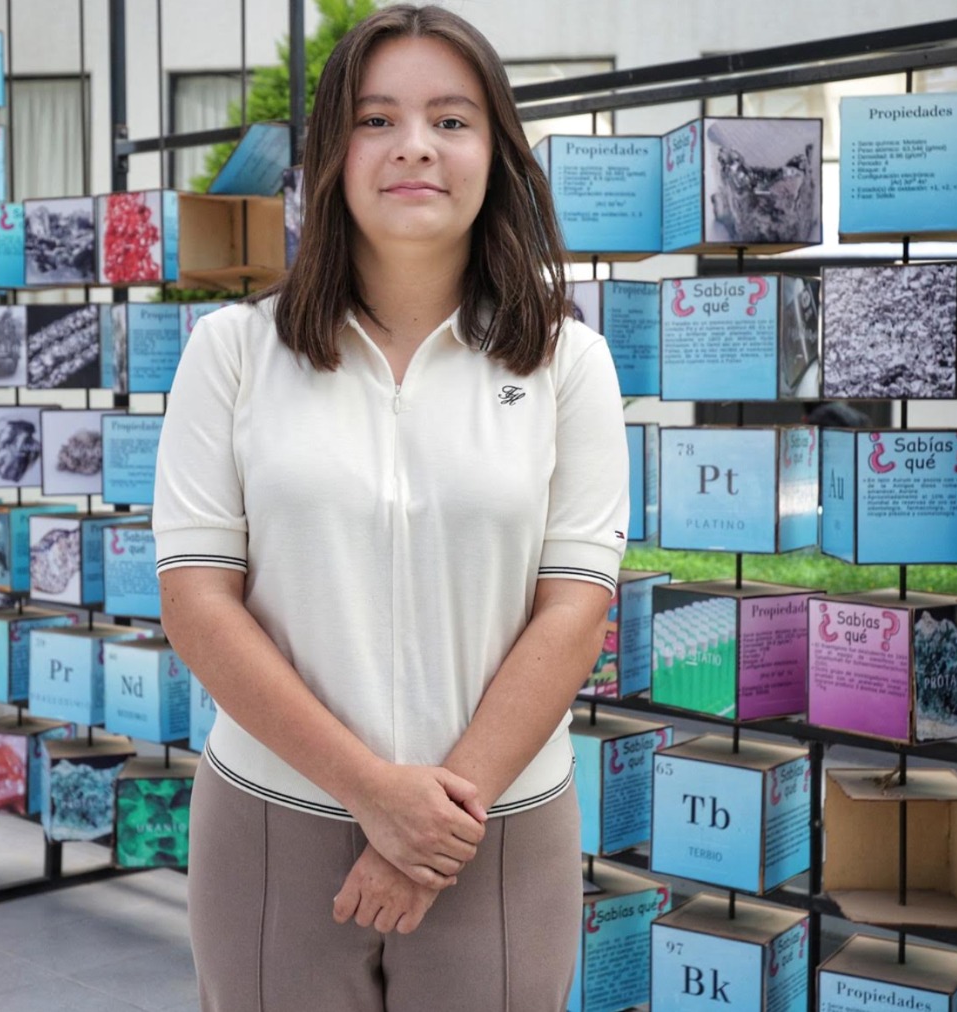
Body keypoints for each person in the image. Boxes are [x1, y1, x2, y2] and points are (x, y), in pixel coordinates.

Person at [151, 5, 629, 1009]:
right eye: (377, 120)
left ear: (497, 154)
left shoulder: (568, 363)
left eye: (451, 120)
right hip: (274, 819)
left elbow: (575, 610)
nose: (415, 145)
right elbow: (197, 602)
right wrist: (374, 792)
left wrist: (432, 827)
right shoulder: (232, 353)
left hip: (497, 826)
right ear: (330, 155)